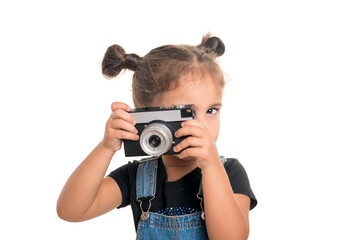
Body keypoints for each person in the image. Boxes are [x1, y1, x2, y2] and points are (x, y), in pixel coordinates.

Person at [57, 34, 257, 239]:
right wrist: (106, 147)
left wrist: (212, 166)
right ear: (147, 117)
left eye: (212, 110)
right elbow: (71, 211)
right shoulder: (136, 177)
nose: (203, 126)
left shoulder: (229, 173)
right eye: (186, 113)